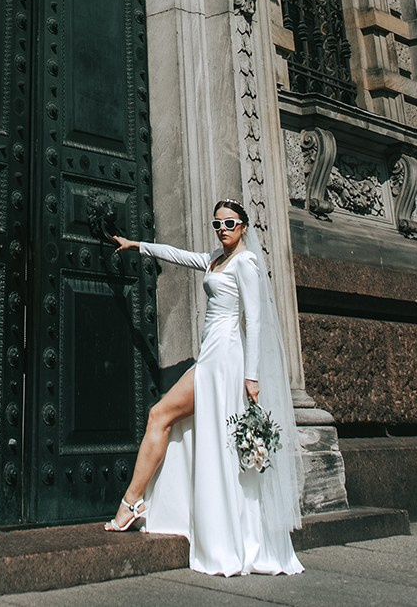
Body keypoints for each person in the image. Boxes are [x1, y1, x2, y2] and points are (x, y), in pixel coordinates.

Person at [106, 200, 304, 576]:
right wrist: (138, 245)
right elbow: (180, 255)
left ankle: (132, 502)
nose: (223, 228)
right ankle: (162, 509)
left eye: (230, 223)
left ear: (244, 226)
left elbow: (256, 320)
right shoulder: (216, 258)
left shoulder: (245, 263)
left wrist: (252, 375)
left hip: (224, 360)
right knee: (194, 432)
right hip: (210, 357)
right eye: (217, 223)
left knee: (160, 414)